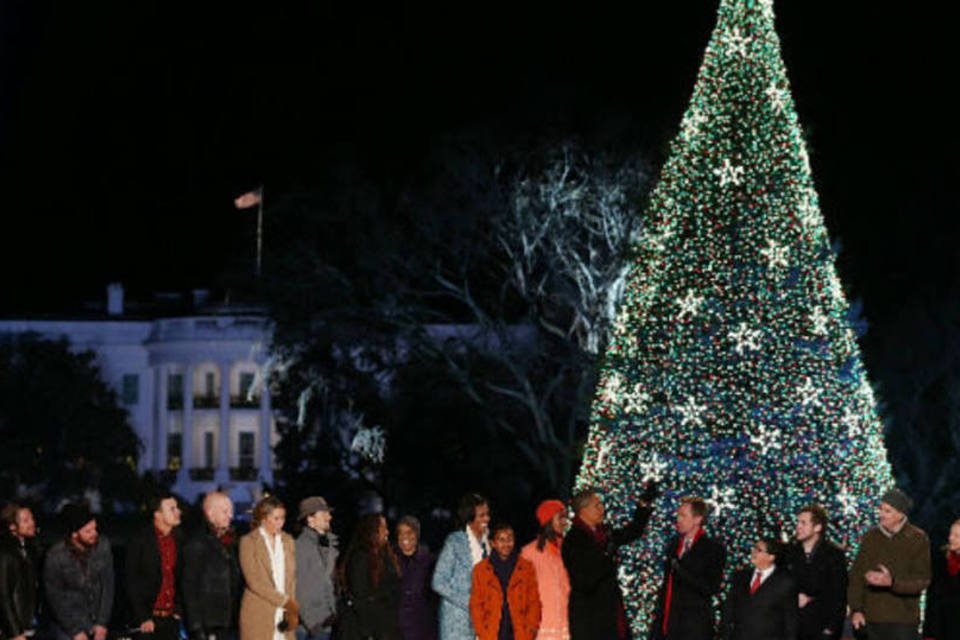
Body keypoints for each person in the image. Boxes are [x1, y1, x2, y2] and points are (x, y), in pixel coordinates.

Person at [562, 485, 655, 640]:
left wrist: (643, 505)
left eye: (601, 504)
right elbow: (584, 580)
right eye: (596, 505)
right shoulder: (574, 540)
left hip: (610, 613)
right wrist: (606, 556)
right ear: (583, 510)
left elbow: (632, 532)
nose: (602, 509)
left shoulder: (604, 533)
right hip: (589, 618)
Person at [848, 488, 930, 640]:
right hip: (871, 620)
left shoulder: (918, 538)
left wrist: (892, 582)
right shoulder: (870, 538)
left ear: (900, 514)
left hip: (903, 622)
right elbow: (856, 576)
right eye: (881, 509)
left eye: (888, 511)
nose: (881, 514)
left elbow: (922, 580)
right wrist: (856, 610)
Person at [650, 495, 726, 640]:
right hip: (668, 626)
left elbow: (711, 587)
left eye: (683, 515)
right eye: (678, 514)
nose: (678, 519)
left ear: (697, 519)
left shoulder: (713, 549)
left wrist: (682, 571)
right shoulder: (673, 545)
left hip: (694, 629)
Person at [43, 503, 113, 640]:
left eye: (95, 528)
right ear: (74, 534)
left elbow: (108, 586)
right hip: (68, 625)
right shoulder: (56, 556)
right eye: (88, 531)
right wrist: (75, 631)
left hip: (95, 621)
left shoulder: (103, 546)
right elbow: (55, 598)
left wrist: (102, 623)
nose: (94, 533)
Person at [181, 492, 243, 640]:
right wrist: (196, 628)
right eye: (225, 511)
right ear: (210, 513)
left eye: (231, 511)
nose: (230, 516)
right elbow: (188, 588)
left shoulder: (230, 542)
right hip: (209, 624)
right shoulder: (197, 544)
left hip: (229, 622)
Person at [783, 504, 847, 640]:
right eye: (798, 522)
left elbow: (839, 595)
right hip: (791, 628)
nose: (798, 526)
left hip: (822, 629)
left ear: (818, 527)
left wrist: (831, 629)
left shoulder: (834, 555)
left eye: (803, 523)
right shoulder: (789, 552)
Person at [126, 492, 184, 640]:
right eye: (172, 508)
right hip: (148, 620)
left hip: (172, 618)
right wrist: (143, 617)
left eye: (177, 507)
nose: (178, 511)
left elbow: (183, 576)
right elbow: (131, 580)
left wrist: (179, 609)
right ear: (157, 514)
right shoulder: (140, 540)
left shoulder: (180, 538)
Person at [433, 493, 491, 640]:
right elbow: (438, 582)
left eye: (487, 514)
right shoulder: (454, 542)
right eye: (482, 515)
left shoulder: (489, 544)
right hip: (456, 624)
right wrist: (470, 602)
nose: (487, 519)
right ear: (470, 518)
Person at [470, 522, 541, 640]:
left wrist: (531, 630)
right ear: (492, 543)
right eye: (501, 540)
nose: (506, 544)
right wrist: (482, 632)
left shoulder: (526, 567)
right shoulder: (481, 570)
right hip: (492, 633)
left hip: (519, 633)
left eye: (509, 539)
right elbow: (476, 605)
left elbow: (534, 602)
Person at [239, 496, 297, 640]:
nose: (281, 522)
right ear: (263, 518)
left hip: (285, 612)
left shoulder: (288, 541)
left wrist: (291, 610)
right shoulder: (248, 542)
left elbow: (291, 579)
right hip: (258, 613)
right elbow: (254, 582)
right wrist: (286, 602)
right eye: (276, 518)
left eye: (283, 518)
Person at [338, 513, 401, 640]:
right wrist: (369, 632)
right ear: (372, 530)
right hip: (366, 629)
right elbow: (360, 597)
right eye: (383, 528)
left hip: (384, 625)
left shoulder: (385, 556)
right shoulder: (360, 557)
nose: (387, 532)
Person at [722, 536, 798, 640]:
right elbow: (728, 610)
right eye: (754, 548)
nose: (753, 552)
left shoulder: (784, 583)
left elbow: (790, 621)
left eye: (758, 550)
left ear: (771, 557)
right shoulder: (740, 577)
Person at [520, 500, 570, 640]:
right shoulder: (529, 553)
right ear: (548, 519)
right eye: (561, 517)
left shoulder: (569, 550)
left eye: (566, 517)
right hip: (542, 628)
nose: (565, 522)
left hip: (567, 626)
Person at [294, 496, 338, 640]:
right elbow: (300, 590)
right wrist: (313, 625)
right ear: (310, 519)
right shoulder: (300, 547)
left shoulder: (329, 545)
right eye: (323, 513)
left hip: (327, 622)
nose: (329, 517)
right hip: (310, 627)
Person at [395, 515, 437, 640]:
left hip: (422, 628)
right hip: (396, 628)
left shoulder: (430, 562)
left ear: (417, 535)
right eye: (400, 533)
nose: (404, 537)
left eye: (409, 532)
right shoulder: (390, 561)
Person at [0, 503, 38, 640]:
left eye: (32, 519)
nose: (32, 523)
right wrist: (14, 631)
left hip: (29, 624)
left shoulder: (29, 548)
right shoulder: (5, 552)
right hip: (12, 630)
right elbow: (3, 594)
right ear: (12, 526)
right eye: (26, 520)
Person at [923, 518, 960, 639]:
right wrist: (928, 633)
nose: (950, 538)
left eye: (957, 536)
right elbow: (932, 599)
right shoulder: (940, 561)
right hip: (940, 629)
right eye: (951, 534)